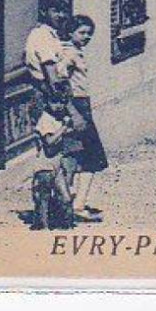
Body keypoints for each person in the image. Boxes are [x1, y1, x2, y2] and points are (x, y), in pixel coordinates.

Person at [58, 15, 108, 222]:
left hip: (81, 104)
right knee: (91, 157)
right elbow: (60, 79)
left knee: (80, 156)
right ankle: (76, 206)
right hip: (76, 105)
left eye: (89, 33)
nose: (86, 37)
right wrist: (71, 109)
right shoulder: (68, 53)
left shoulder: (74, 51)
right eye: (82, 32)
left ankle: (72, 202)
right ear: (70, 33)